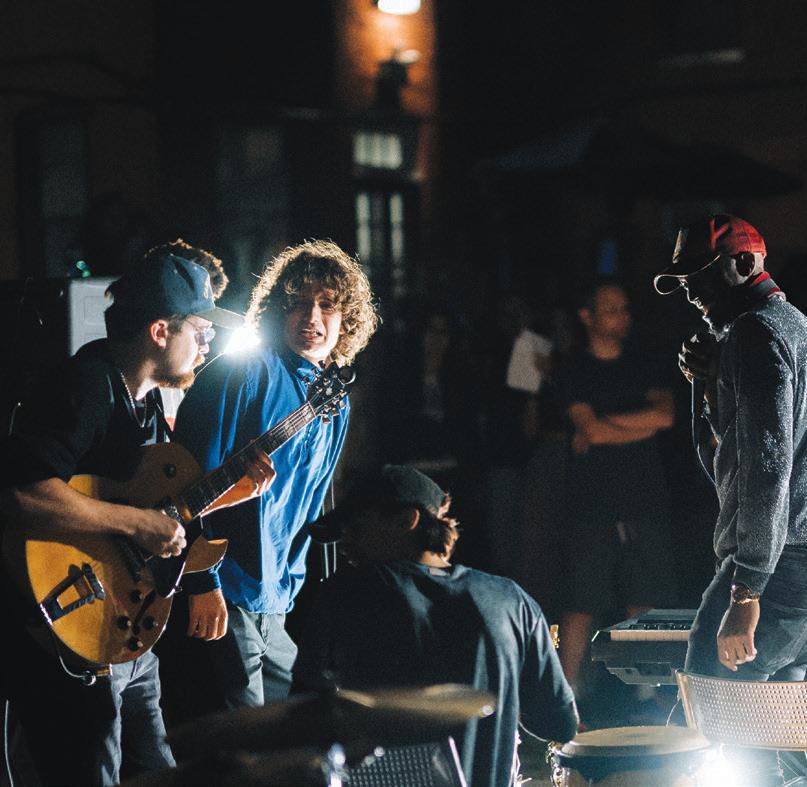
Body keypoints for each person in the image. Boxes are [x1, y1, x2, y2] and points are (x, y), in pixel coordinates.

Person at [0, 241, 272, 785]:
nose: (207, 345)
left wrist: (231, 492)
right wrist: (137, 524)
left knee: (158, 772)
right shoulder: (87, 385)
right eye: (201, 331)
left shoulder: (144, 400)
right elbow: (22, 496)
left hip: (122, 629)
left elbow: (151, 509)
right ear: (160, 331)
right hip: (67, 625)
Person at [173, 239, 378, 711]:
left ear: (347, 319)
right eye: (299, 303)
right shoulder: (243, 372)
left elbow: (312, 501)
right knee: (246, 737)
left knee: (300, 726)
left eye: (327, 305)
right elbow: (184, 485)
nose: (312, 317)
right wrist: (202, 582)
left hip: (278, 598)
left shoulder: (333, 398)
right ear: (276, 310)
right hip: (226, 591)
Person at [652, 214, 807, 682]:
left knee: (711, 706)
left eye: (700, 275)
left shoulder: (756, 333)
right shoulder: (801, 328)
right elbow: (744, 449)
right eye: (683, 281)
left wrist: (747, 591)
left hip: (779, 565)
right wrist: (712, 385)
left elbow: (767, 467)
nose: (690, 291)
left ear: (744, 264)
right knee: (764, 720)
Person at [293, 464, 578, 787]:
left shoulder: (344, 594)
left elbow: (301, 720)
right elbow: (560, 725)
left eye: (356, 530)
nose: (344, 547)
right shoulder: (512, 600)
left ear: (408, 519)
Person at [554, 279, 677, 698]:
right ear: (586, 316)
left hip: (643, 497)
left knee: (644, 597)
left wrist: (607, 423)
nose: (621, 317)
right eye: (610, 309)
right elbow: (591, 429)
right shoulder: (573, 368)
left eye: (624, 309)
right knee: (581, 601)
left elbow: (664, 417)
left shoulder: (646, 364)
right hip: (591, 502)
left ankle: (648, 693)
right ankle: (567, 693)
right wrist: (628, 425)